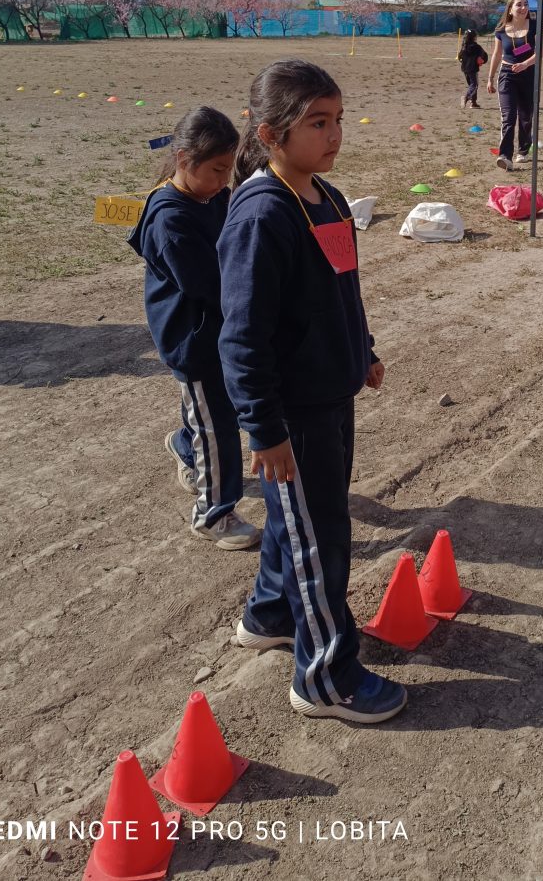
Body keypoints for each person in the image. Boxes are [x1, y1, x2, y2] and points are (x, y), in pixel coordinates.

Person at [218, 59, 406, 724]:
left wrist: (364, 353)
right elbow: (241, 337)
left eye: (338, 120)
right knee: (318, 535)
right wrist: (263, 427)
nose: (333, 135)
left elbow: (338, 291)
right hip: (293, 416)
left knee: (297, 520)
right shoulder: (262, 216)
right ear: (270, 134)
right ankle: (325, 675)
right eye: (316, 123)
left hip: (333, 396)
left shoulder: (323, 196)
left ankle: (270, 613)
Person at [128, 106, 261, 550]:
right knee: (218, 426)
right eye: (217, 170)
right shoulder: (171, 219)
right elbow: (210, 285)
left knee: (208, 417)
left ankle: (186, 447)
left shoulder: (213, 196)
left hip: (220, 331)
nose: (225, 180)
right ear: (184, 160)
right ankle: (213, 515)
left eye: (229, 170)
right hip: (195, 340)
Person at [486, 0, 536, 169]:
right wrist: (490, 78)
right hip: (507, 74)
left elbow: (540, 53)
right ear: (510, 8)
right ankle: (505, 156)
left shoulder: (534, 26)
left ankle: (523, 150)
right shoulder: (501, 30)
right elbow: (497, 54)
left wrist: (525, 64)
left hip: (528, 74)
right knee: (508, 117)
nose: (523, 8)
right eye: (519, 5)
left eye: (525, 5)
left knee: (526, 116)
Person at [458, 29, 488, 108]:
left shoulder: (464, 47)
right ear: (474, 37)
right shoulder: (477, 47)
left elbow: (459, 57)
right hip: (473, 69)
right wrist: (482, 60)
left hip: (465, 69)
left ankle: (473, 103)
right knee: (474, 85)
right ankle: (466, 97)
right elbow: (485, 56)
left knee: (471, 84)